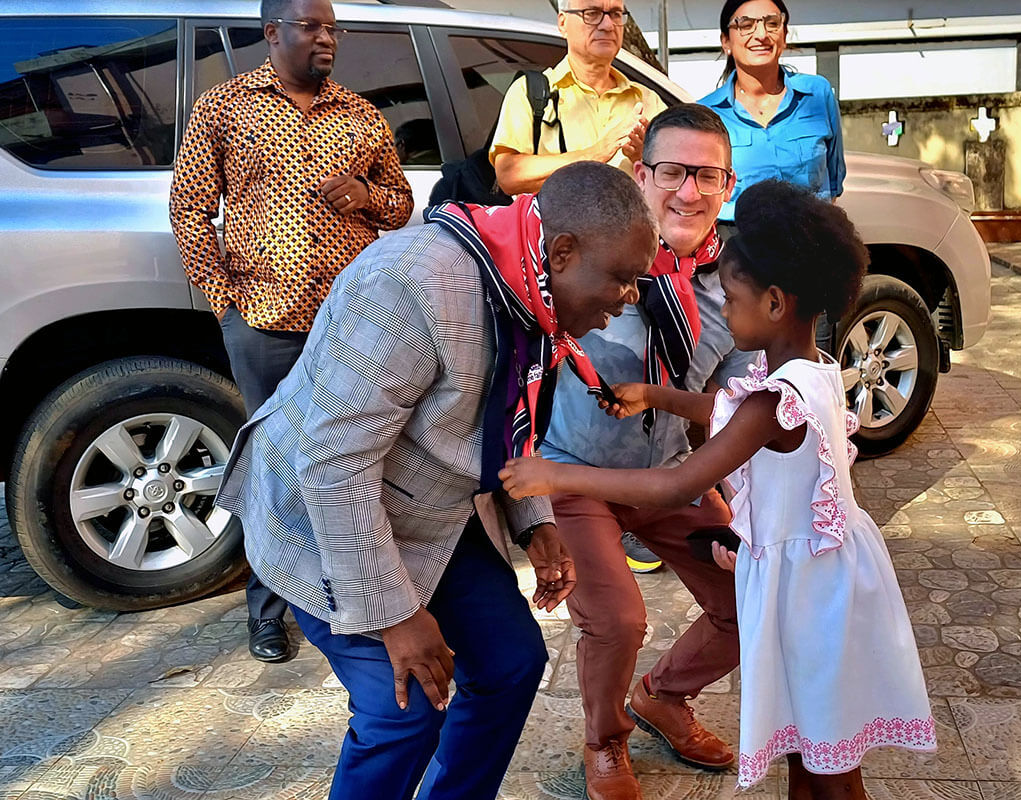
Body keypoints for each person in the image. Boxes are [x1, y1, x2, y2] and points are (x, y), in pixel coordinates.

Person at [216, 161, 659, 800]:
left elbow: (506, 410)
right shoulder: (411, 283)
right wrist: (395, 614)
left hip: (426, 510)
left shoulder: (526, 280)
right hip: (318, 517)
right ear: (562, 252)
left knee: (511, 664)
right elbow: (334, 463)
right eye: (621, 279)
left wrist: (534, 523)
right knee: (403, 715)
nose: (626, 300)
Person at [500, 180, 936, 799]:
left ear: (776, 303)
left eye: (732, 300)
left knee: (829, 762)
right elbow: (721, 408)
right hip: (820, 575)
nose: (724, 313)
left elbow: (678, 480)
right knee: (810, 743)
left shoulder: (772, 399)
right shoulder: (810, 373)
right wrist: (653, 395)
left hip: (807, 592)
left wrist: (556, 475)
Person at [169, 0, 413, 663]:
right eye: (312, 27)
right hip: (265, 319)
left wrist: (368, 199)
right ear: (273, 33)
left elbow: (400, 206)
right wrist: (224, 299)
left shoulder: (360, 115)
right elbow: (190, 207)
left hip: (352, 325)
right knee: (273, 467)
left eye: (332, 27)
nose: (326, 38)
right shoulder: (224, 107)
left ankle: (362, 599)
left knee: (356, 458)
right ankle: (269, 612)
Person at [537, 104, 751, 800]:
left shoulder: (733, 286)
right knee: (620, 617)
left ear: (728, 183)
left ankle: (663, 696)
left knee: (753, 592)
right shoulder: (585, 258)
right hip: (577, 475)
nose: (688, 191)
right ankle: (605, 740)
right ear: (641, 174)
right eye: (671, 172)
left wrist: (723, 495)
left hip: (668, 476)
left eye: (706, 175)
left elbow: (723, 401)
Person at [489, 0, 667, 195]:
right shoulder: (530, 92)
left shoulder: (648, 99)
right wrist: (595, 153)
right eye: (592, 14)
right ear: (563, 23)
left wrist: (643, 158)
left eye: (615, 14)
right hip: (553, 225)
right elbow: (508, 176)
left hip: (632, 224)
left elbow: (676, 183)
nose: (608, 25)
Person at [699, 0, 845, 223]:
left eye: (772, 23)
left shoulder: (817, 94)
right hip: (738, 242)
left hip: (812, 237)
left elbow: (834, 179)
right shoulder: (707, 114)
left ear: (784, 36)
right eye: (745, 25)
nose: (761, 34)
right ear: (725, 41)